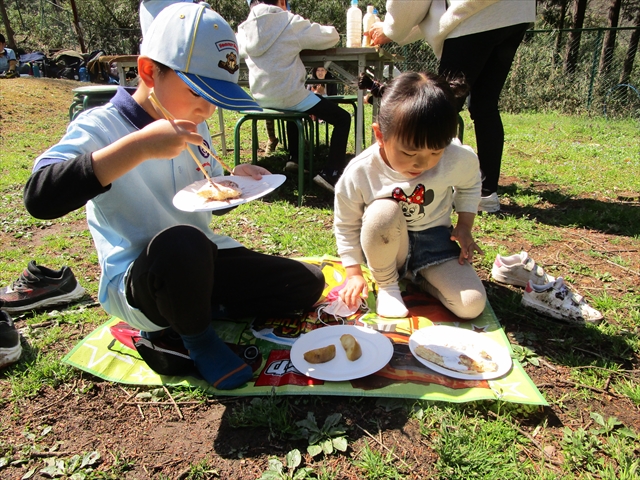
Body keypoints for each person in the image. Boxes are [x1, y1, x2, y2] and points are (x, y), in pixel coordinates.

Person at [23, 3, 324, 390]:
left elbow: (205, 192)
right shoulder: (101, 126)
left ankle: (191, 309)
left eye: (217, 95)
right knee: (182, 244)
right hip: (143, 276)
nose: (208, 107)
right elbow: (39, 197)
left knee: (305, 283)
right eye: (198, 91)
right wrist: (138, 148)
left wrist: (235, 181)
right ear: (149, 70)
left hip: (203, 258)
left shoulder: (193, 124)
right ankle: (195, 339)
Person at [334, 71, 486, 319]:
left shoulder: (457, 156)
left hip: (435, 244)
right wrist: (353, 274)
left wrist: (465, 224)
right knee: (383, 212)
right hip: (387, 248)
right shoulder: (361, 171)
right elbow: (345, 224)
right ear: (380, 136)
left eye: (436, 151)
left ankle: (418, 279)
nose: (423, 164)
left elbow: (470, 182)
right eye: (410, 153)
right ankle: (388, 285)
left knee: (471, 305)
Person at [369, 0, 536, 213]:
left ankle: (430, 186)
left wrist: (392, 28)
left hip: (473, 15)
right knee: (485, 106)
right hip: (515, 12)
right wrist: (396, 31)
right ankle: (486, 194)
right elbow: (429, 14)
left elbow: (411, 4)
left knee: (441, 107)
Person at [238, 0, 352, 193]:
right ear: (282, 2)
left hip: (260, 97)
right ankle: (331, 173)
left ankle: (294, 158)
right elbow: (331, 36)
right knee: (343, 118)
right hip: (290, 95)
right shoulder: (289, 21)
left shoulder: (243, 29)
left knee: (291, 107)